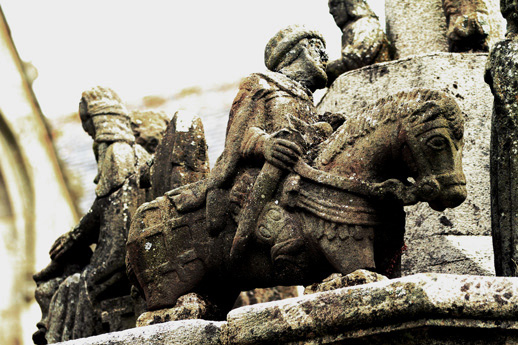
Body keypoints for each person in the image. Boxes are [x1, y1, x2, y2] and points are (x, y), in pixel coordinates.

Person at [205, 25, 343, 257]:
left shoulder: (305, 99)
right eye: (318, 48)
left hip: (299, 179)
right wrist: (266, 144)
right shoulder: (262, 85)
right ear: (297, 51)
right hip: (258, 181)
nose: (326, 57)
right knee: (288, 238)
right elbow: (241, 135)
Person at [32, 87, 151, 344]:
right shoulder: (133, 153)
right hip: (119, 253)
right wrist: (74, 237)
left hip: (116, 257)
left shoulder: (118, 154)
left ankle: (59, 335)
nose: (90, 134)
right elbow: (104, 208)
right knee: (55, 283)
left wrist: (75, 237)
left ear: (100, 121)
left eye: (90, 125)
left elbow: (107, 211)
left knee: (66, 289)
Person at [326, 0, 391, 85]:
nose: (331, 11)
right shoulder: (351, 29)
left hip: (378, 81)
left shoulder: (366, 24)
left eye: (335, 4)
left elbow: (354, 60)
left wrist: (325, 70)